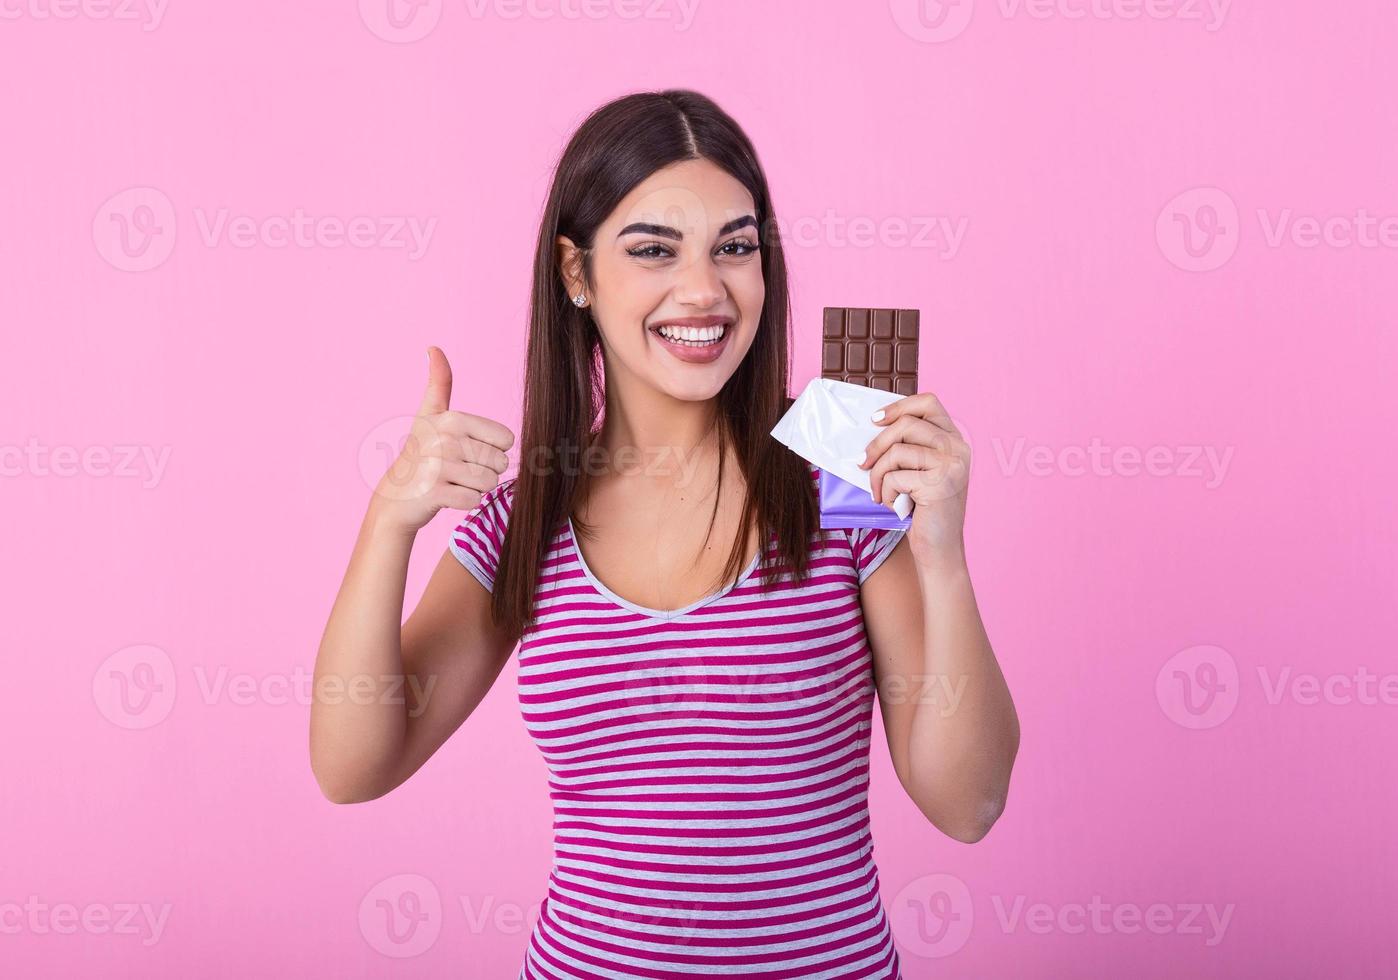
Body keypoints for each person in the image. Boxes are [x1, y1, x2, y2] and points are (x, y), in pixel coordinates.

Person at [310, 88, 1019, 980]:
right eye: (654, 250)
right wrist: (389, 523)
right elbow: (351, 766)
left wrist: (944, 556)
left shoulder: (842, 472)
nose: (704, 290)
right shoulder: (530, 515)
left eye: (735, 248)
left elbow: (970, 803)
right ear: (576, 274)